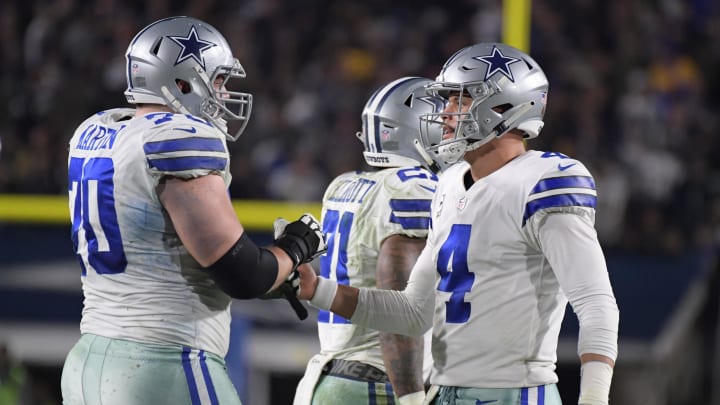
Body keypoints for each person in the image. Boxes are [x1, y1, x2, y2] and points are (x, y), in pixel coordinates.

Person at [297, 43, 619, 405]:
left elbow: (596, 304)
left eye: (458, 100)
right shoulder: (449, 184)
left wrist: (593, 398)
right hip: (444, 393)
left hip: (513, 395)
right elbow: (413, 313)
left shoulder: (545, 182)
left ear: (502, 107)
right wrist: (319, 290)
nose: (445, 113)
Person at [61, 16, 326, 405]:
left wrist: (276, 273)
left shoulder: (96, 132)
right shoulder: (178, 138)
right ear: (181, 82)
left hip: (87, 365)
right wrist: (296, 247)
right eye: (218, 81)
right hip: (164, 362)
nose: (223, 93)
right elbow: (242, 274)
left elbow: (169, 253)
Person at [292, 77, 449, 405]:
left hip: (329, 377)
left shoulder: (344, 185)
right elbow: (401, 307)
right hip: (379, 383)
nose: (451, 131)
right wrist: (412, 399)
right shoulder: (413, 188)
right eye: (442, 122)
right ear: (417, 132)